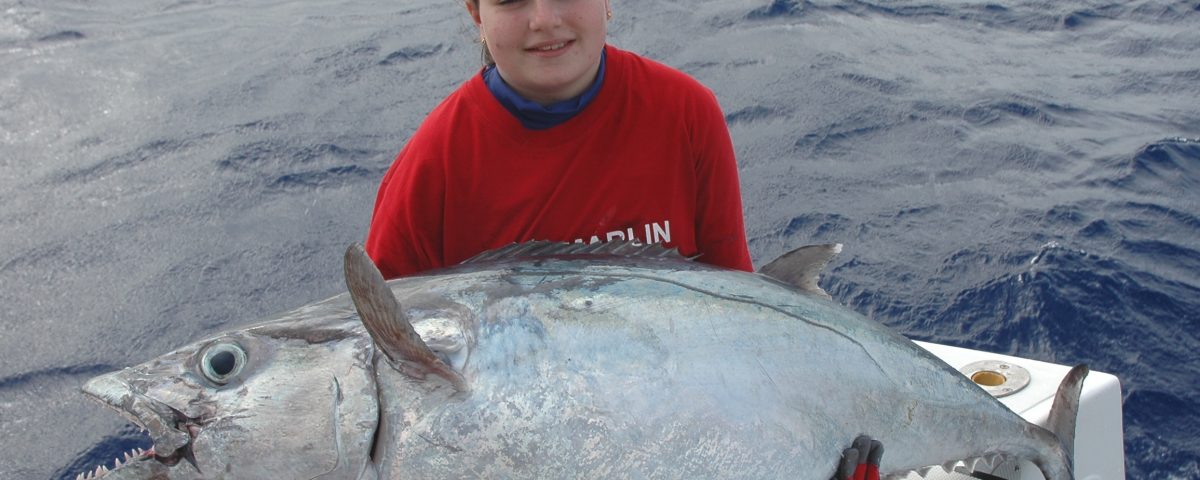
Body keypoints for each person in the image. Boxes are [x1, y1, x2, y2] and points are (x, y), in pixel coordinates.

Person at [364, 0, 752, 279]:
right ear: (477, 14)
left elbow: (742, 300)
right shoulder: (430, 168)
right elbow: (387, 348)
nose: (544, 19)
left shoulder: (687, 112)